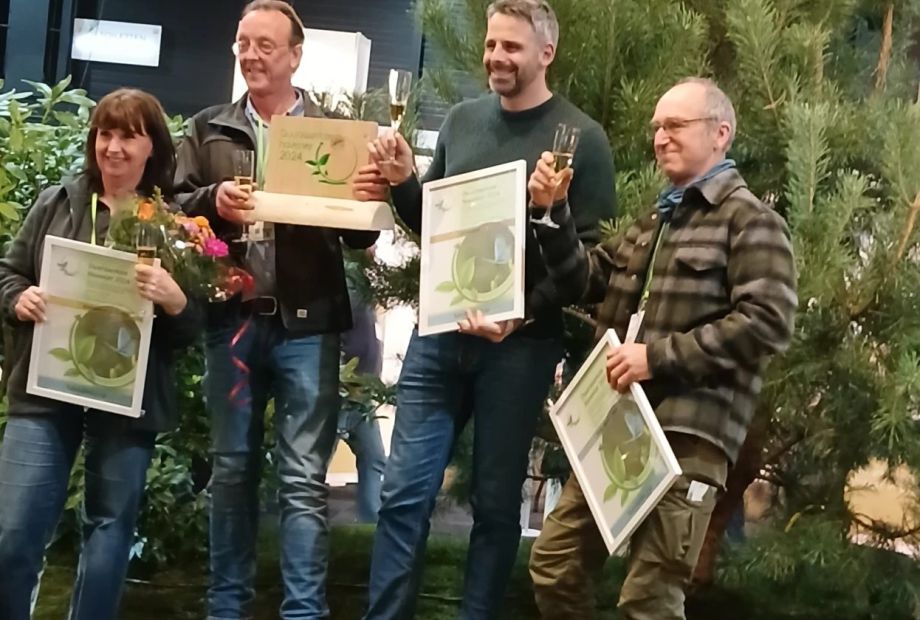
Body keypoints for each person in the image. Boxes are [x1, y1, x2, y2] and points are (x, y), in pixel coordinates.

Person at [352, 1, 615, 617]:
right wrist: (403, 182)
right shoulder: (462, 121)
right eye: (492, 44)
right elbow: (432, 225)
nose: (496, 56)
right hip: (439, 337)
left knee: (495, 508)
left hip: (520, 349)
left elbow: (592, 270)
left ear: (546, 53)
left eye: (511, 47)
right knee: (403, 495)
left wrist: (522, 315)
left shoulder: (582, 138)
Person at [526, 77, 797, 620]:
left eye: (675, 125)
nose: (659, 137)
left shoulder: (752, 221)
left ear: (721, 134)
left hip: (690, 437)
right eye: (656, 127)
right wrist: (552, 214)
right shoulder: (658, 218)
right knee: (554, 564)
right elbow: (585, 279)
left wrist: (656, 358)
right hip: (618, 426)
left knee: (648, 601)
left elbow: (768, 323)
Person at [173, 1, 378, 618]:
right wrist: (212, 199)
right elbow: (173, 204)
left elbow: (362, 237)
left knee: (302, 480)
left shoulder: (333, 133)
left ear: (295, 55)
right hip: (230, 321)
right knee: (231, 471)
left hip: (307, 325)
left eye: (265, 45)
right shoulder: (208, 129)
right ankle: (226, 608)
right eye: (243, 43)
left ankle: (304, 612)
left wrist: (368, 193)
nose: (251, 55)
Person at [0, 88, 203, 620]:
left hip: (127, 399)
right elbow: (8, 273)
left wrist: (176, 299)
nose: (113, 147)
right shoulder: (57, 202)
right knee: (14, 531)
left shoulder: (175, 224)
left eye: (128, 136)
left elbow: (192, 329)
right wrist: (18, 299)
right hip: (44, 390)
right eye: (104, 134)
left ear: (152, 147)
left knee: (110, 532)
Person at [337, 248, 386, 524]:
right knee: (314, 463)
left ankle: (370, 524)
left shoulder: (362, 280)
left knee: (374, 457)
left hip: (362, 391)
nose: (374, 248)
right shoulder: (348, 276)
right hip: (342, 388)